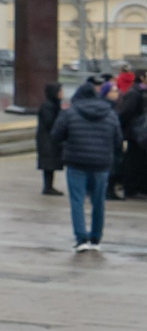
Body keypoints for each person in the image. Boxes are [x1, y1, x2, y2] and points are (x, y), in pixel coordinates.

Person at [53, 77, 121, 251]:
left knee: (77, 201)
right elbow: (118, 140)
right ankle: (96, 239)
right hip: (101, 164)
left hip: (76, 163)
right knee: (99, 202)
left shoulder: (70, 113)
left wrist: (67, 147)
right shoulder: (110, 113)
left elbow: (56, 136)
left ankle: (81, 239)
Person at [37, 83, 65, 197]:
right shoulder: (48, 106)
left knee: (51, 164)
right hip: (47, 140)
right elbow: (50, 123)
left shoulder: (54, 105)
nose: (62, 93)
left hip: (50, 139)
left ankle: (49, 186)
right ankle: (47, 187)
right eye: (60, 91)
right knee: (49, 163)